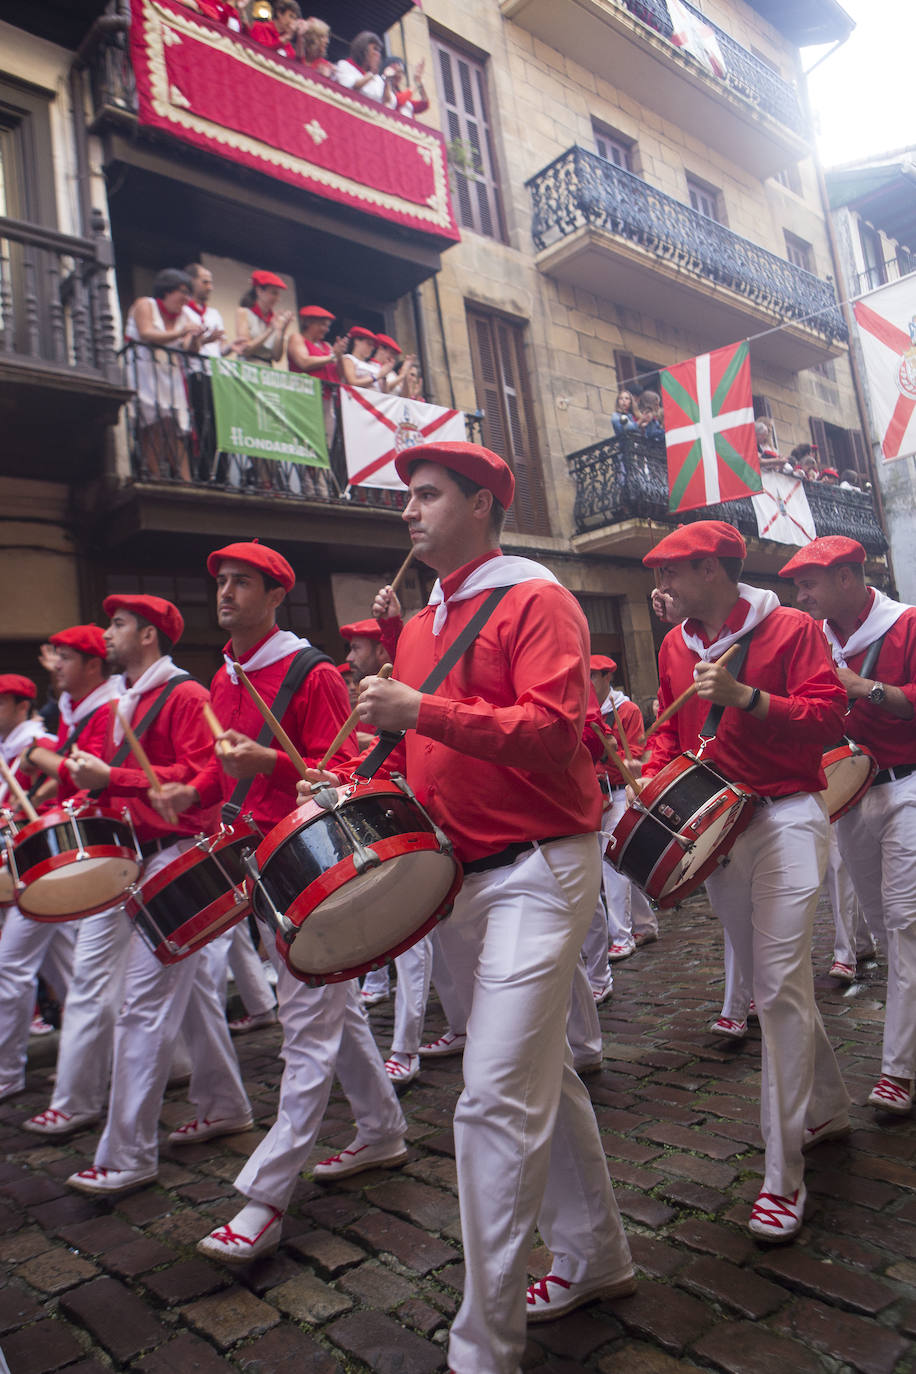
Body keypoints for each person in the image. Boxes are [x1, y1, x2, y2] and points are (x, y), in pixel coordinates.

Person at [304, 442, 634, 1370]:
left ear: (481, 504)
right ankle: (598, 1252)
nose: (407, 512)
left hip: (541, 865)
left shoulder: (539, 597)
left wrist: (421, 712)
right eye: (407, 498)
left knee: (489, 1098)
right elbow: (411, 746)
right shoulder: (419, 621)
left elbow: (552, 734)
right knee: (540, 1079)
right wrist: (343, 780)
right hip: (457, 875)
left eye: (426, 495)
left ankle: (481, 1345)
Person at [148, 542, 406, 1262]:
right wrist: (192, 791)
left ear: (275, 595)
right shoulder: (225, 672)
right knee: (332, 1011)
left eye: (241, 583)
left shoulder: (312, 671)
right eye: (220, 582)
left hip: (309, 864)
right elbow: (215, 764)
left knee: (309, 1028)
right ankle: (383, 1131)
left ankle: (265, 1196)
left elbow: (348, 765)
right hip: (255, 861)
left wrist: (271, 764)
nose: (224, 593)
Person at [642, 520, 850, 1241]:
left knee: (781, 985)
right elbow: (671, 731)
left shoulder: (789, 626)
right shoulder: (675, 644)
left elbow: (829, 717)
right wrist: (649, 763)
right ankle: (825, 1105)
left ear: (712, 571)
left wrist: (746, 697)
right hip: (717, 823)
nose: (660, 587)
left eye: (671, 572)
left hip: (789, 815)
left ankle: (782, 1175)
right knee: (774, 983)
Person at [62, 595, 251, 1194]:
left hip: (182, 861)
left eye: (117, 625)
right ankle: (226, 1106)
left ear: (147, 636)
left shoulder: (186, 696)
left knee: (142, 1005)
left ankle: (127, 1155)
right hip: (142, 856)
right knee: (191, 995)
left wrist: (115, 779)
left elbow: (210, 777)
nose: (107, 633)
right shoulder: (125, 702)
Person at [779, 536, 916, 1115]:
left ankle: (898, 1069)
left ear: (848, 578)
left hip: (908, 785)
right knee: (885, 928)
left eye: (809, 583)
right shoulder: (811, 638)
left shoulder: (905, 624)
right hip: (850, 795)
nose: (800, 594)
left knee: (906, 920)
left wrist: (866, 689)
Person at [339, 617, 431, 1084]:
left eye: (358, 648)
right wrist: (340, 780)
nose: (351, 659)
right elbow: (388, 753)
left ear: (382, 653)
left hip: (422, 823)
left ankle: (406, 1048)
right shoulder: (377, 695)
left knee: (414, 941)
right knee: (438, 946)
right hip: (402, 819)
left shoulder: (410, 686)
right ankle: (456, 1027)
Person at [0, 675, 73, 1104]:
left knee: (11, 968)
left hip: (43, 865)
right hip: (30, 870)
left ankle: (8, 1072)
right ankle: (97, 1055)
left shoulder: (39, 743)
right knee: (67, 971)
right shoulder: (11, 751)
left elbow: (58, 794)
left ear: (20, 704)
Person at [588, 655, 657, 961]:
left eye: (592, 676)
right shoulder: (584, 711)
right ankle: (645, 924)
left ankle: (621, 936)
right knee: (620, 864)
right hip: (594, 795)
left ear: (606, 678)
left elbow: (638, 751)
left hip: (619, 794)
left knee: (611, 864)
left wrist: (628, 758)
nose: (586, 682)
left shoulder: (625, 709)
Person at [124, 269, 212, 481]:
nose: (186, 298)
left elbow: (189, 349)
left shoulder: (186, 314)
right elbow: (147, 333)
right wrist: (183, 332)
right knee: (151, 425)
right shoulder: (146, 305)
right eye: (182, 291)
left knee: (176, 428)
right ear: (166, 290)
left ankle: (185, 481)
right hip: (145, 372)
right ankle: (154, 475)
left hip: (170, 376)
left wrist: (197, 338)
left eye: (188, 293)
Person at [235, 270, 293, 366]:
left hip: (267, 370)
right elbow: (245, 350)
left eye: (278, 294)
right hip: (248, 367)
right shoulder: (244, 312)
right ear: (259, 291)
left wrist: (282, 332)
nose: (278, 299)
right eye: (274, 293)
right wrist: (270, 330)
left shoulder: (274, 319)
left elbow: (277, 357)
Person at [335, 31, 389, 102]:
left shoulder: (377, 79)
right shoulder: (344, 65)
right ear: (363, 49)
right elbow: (350, 88)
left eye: (379, 51)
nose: (378, 54)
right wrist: (371, 73)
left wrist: (387, 81)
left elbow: (385, 102)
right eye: (375, 49)